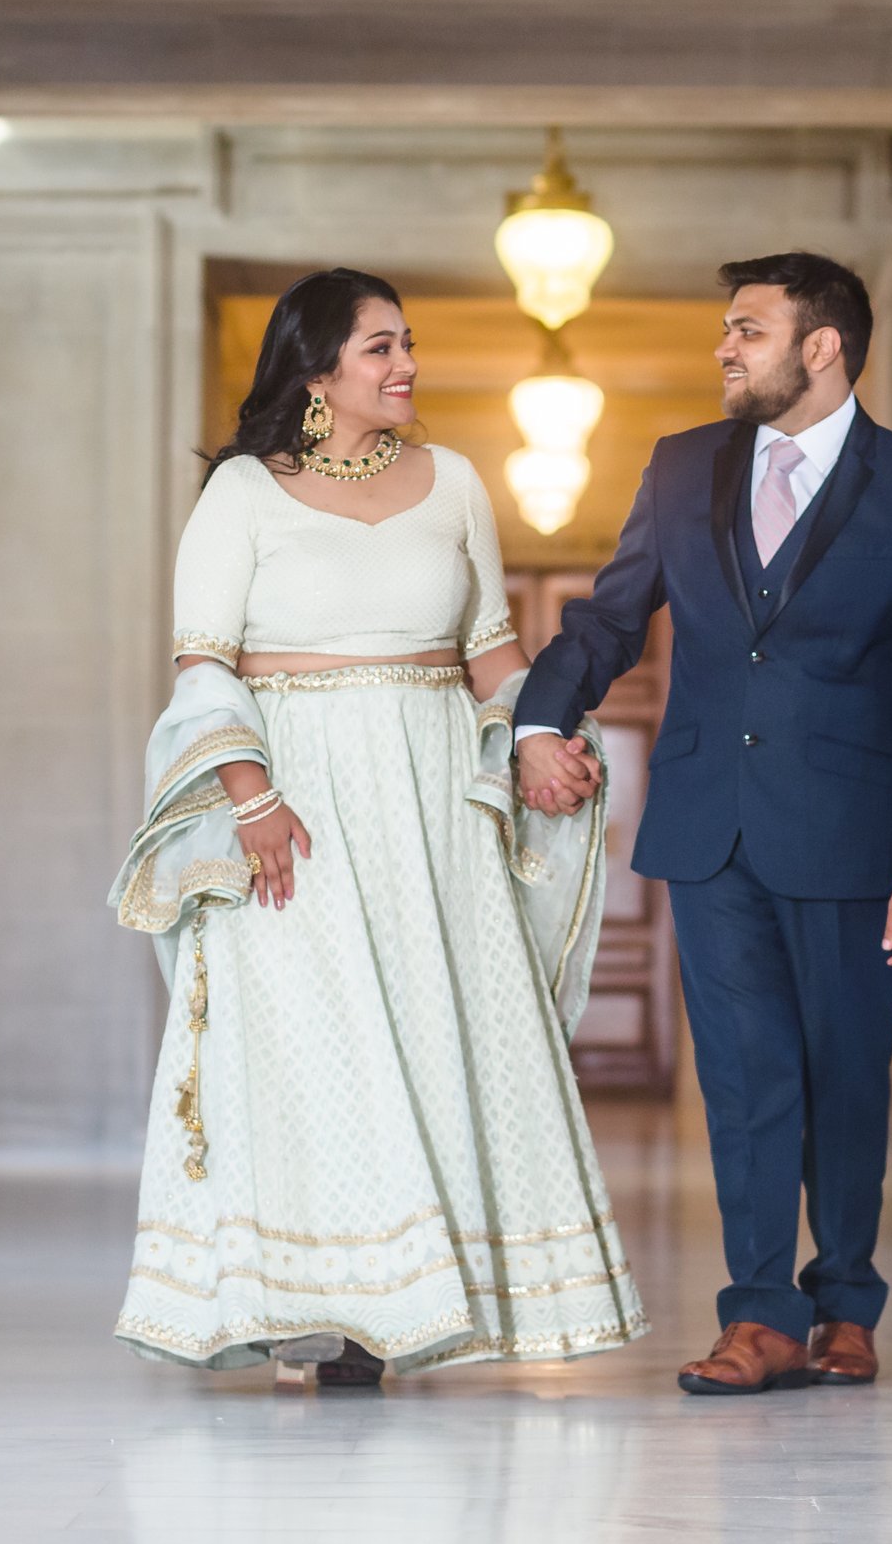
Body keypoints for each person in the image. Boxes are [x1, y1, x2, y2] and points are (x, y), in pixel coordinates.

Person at [110, 268, 646, 1386]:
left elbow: (492, 650)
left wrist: (537, 731)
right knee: (309, 1045)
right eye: (379, 348)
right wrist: (250, 797)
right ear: (316, 372)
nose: (406, 365)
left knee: (424, 1026)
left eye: (406, 344)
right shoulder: (244, 494)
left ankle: (405, 1305)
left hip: (432, 798)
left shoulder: (454, 482)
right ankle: (311, 1301)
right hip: (294, 803)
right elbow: (202, 660)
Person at [514, 252, 892, 1395]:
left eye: (747, 330)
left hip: (856, 839)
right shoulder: (683, 469)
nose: (723, 348)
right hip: (705, 827)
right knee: (743, 1072)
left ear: (820, 346)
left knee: (844, 1074)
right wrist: (538, 719)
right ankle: (761, 1315)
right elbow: (609, 617)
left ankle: (847, 1300)